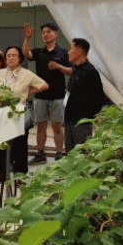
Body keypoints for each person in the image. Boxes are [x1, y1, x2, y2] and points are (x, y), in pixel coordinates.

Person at [0, 46, 48, 184]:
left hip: (19, 112)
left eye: (14, 55)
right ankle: (3, 172)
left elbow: (44, 85)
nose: (11, 58)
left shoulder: (27, 74)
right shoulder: (0, 73)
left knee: (20, 145)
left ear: (20, 58)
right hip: (3, 112)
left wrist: (28, 92)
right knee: (3, 144)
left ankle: (20, 175)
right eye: (8, 55)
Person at [23, 22, 70, 164]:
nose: (45, 34)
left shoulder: (63, 52)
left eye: (48, 32)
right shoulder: (39, 52)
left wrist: (58, 66)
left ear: (56, 34)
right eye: (43, 32)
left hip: (57, 96)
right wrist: (27, 38)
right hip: (40, 96)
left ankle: (59, 154)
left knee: (57, 127)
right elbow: (26, 53)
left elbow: (70, 70)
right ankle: (40, 154)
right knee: (41, 126)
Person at [53, 38, 106, 153]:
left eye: (70, 49)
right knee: (70, 153)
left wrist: (90, 115)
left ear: (79, 52)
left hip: (82, 121)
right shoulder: (75, 70)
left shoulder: (90, 72)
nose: (68, 52)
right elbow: (69, 92)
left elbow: (99, 97)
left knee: (81, 153)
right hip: (69, 119)